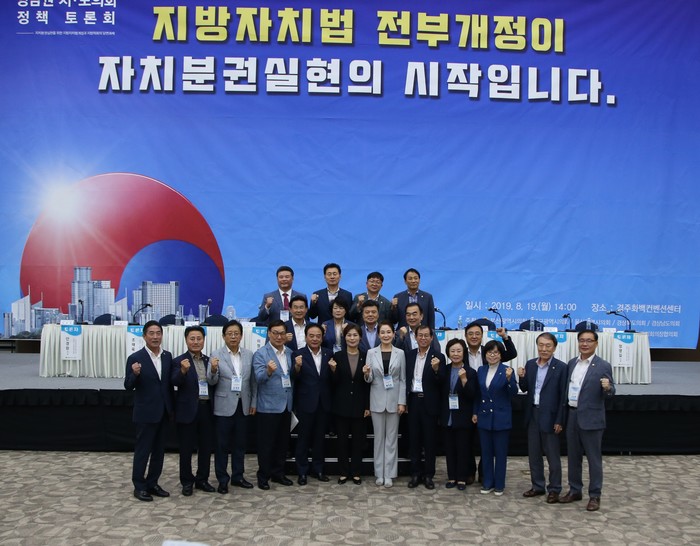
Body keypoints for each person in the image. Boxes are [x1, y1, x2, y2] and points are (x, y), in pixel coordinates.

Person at [560, 329, 615, 512]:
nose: (585, 344)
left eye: (589, 341)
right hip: (572, 415)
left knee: (593, 459)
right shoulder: (571, 363)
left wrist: (607, 388)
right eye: (582, 340)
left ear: (596, 343)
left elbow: (611, 392)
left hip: (591, 418)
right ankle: (575, 490)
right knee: (573, 457)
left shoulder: (603, 365)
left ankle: (595, 495)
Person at [124, 320, 174, 502]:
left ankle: (153, 483)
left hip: (163, 412)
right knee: (143, 451)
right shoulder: (135, 358)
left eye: (158, 333)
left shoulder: (167, 356)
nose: (155, 337)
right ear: (144, 336)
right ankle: (139, 486)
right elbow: (128, 385)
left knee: (159, 452)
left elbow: (168, 384)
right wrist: (135, 374)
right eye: (151, 333)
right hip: (145, 413)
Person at [463, 320, 518, 484]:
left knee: (488, 447)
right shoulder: (461, 352)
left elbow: (511, 353)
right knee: (468, 440)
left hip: (490, 404)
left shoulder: (490, 351)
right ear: (465, 336)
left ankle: (485, 475)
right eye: (470, 334)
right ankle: (470, 472)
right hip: (469, 401)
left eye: (477, 334)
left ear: (482, 336)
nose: (474, 336)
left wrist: (505, 337)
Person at [518, 332, 567, 503]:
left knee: (552, 455)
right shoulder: (531, 364)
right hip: (533, 413)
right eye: (541, 345)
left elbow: (563, 396)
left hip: (551, 416)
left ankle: (554, 489)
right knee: (534, 454)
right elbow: (525, 388)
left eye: (548, 346)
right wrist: (521, 377)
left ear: (554, 347)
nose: (544, 349)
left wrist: (560, 420)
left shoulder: (561, 367)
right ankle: (537, 486)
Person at [209, 320, 257, 494]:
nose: (233, 336)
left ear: (241, 336)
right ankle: (223, 480)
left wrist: (253, 402)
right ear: (223, 336)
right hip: (224, 406)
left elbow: (253, 382)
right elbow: (211, 381)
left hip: (243, 406)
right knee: (222, 446)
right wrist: (213, 370)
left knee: (240, 445)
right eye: (230, 333)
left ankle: (238, 476)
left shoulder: (249, 355)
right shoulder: (216, 354)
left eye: (236, 333)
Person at [171, 325, 216, 496]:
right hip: (187, 410)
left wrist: (214, 370)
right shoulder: (178, 361)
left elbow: (213, 383)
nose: (196, 342)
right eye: (192, 339)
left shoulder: (209, 360)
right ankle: (187, 482)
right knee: (186, 449)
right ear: (186, 340)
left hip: (206, 409)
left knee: (206, 448)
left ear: (204, 340)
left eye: (199, 338)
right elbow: (174, 382)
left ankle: (202, 479)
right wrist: (183, 371)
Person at [252, 319, 294, 490]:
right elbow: (258, 378)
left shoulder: (290, 352)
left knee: (282, 443)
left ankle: (278, 473)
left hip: (286, 405)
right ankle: (263, 476)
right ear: (269, 334)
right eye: (275, 333)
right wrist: (268, 371)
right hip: (268, 406)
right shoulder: (261, 354)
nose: (279, 336)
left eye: (282, 333)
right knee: (266, 444)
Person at [472, 339, 518, 496]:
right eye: (490, 352)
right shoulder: (481, 370)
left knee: (500, 453)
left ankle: (499, 484)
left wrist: (509, 379)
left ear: (501, 355)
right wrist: (475, 412)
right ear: (485, 354)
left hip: (501, 418)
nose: (492, 355)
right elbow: (478, 395)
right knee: (486, 453)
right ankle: (487, 483)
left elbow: (513, 392)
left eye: (496, 353)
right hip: (484, 416)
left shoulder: (507, 370)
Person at [365, 320, 406, 488]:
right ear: (378, 335)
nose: (386, 335)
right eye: (382, 332)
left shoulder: (400, 353)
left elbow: (402, 379)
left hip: (395, 401)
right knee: (379, 439)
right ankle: (379, 473)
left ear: (393, 334)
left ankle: (389, 474)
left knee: (391, 439)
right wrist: (366, 374)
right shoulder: (371, 352)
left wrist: (402, 402)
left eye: (388, 332)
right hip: (376, 400)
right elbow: (369, 379)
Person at [291, 323, 333, 484]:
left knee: (319, 439)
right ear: (306, 337)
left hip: (323, 403)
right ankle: (302, 472)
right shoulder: (298, 354)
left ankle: (318, 469)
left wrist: (334, 370)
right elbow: (293, 377)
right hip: (305, 403)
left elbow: (332, 380)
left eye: (318, 336)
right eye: (311, 336)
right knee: (303, 439)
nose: (315, 339)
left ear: (322, 338)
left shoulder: (329, 354)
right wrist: (297, 367)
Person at [329, 324, 370, 485]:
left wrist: (367, 406)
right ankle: (344, 472)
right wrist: (333, 371)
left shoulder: (366, 356)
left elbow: (368, 385)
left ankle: (356, 472)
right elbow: (333, 383)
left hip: (360, 406)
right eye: (349, 335)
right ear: (344, 338)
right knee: (342, 442)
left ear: (360, 337)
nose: (352, 338)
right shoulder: (337, 356)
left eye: (355, 335)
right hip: (341, 405)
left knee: (358, 441)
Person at [405, 325, 444, 489]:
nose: (423, 338)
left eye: (426, 335)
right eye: (420, 335)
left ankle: (428, 475)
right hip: (413, 401)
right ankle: (415, 474)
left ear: (431, 337)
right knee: (414, 440)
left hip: (429, 403)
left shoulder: (438, 356)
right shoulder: (409, 355)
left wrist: (436, 370)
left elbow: (442, 382)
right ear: (415, 337)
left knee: (429, 441)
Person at [439, 338, 477, 490]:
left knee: (463, 449)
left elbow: (472, 394)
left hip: (463, 416)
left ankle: (462, 478)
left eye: (459, 351)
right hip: (447, 415)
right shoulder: (444, 369)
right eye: (452, 351)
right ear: (448, 353)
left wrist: (464, 380)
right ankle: (452, 477)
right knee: (449, 449)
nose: (455, 354)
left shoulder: (471, 372)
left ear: (464, 353)